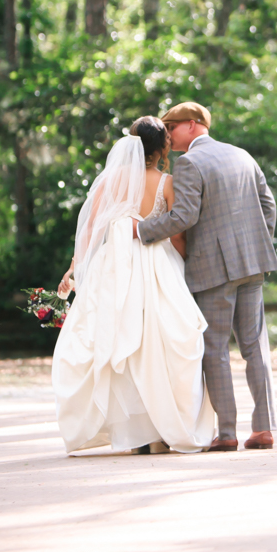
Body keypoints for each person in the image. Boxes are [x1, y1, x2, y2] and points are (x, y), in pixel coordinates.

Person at [52, 117, 215, 454]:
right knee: (158, 344)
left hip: (114, 266)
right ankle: (157, 433)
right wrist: (184, 267)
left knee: (117, 341)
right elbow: (178, 235)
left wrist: (74, 269)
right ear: (162, 148)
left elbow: (90, 232)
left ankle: (131, 433)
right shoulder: (166, 182)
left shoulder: (111, 182)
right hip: (157, 264)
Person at [134, 101, 277, 452]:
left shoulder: (190, 164)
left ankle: (226, 432)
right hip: (253, 264)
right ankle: (263, 428)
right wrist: (256, 245)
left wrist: (141, 231)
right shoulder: (243, 155)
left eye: (171, 127)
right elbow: (268, 206)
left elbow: (182, 216)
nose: (167, 135)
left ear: (192, 125)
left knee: (214, 350)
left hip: (213, 270)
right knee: (254, 346)